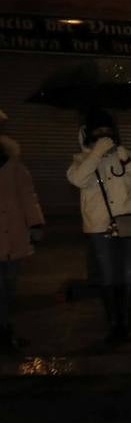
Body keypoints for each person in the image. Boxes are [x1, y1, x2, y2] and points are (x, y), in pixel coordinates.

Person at [66, 109, 131, 345]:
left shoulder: (128, 155)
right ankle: (114, 326)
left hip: (130, 223)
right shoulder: (82, 160)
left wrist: (128, 162)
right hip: (99, 226)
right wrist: (95, 154)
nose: (104, 134)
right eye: (99, 130)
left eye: (108, 130)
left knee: (129, 273)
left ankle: (127, 327)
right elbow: (77, 179)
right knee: (107, 274)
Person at [0, 134, 44, 353]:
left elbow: (28, 196)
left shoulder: (15, 168)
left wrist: (35, 224)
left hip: (13, 235)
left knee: (8, 287)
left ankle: (6, 328)